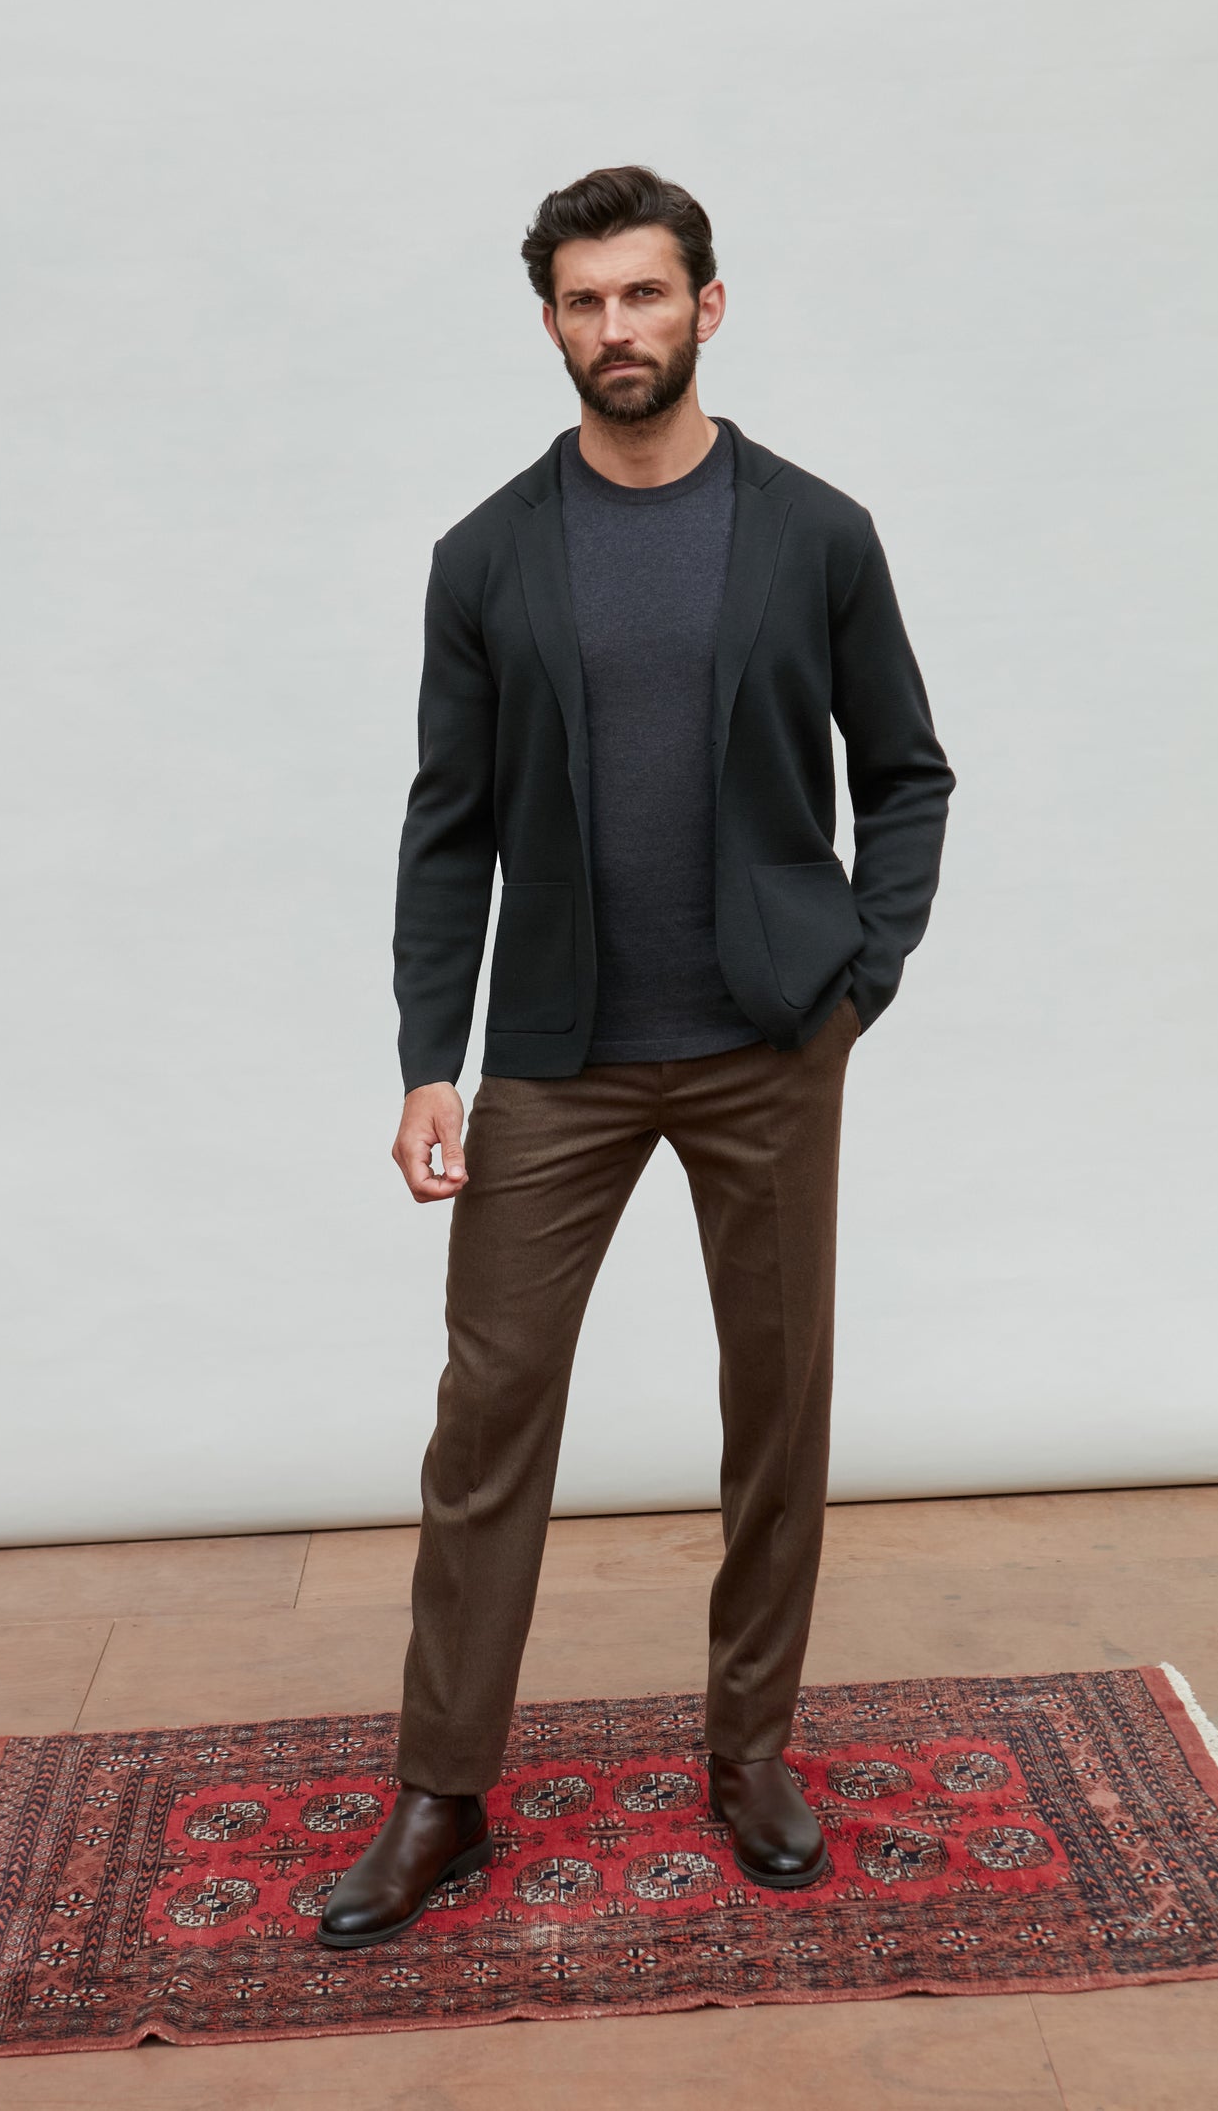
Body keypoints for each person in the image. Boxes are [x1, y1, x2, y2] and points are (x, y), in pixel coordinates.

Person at [318, 164, 955, 1949]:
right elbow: (448, 830)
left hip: (768, 1039)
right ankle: (442, 1791)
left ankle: (750, 1749)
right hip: (558, 1047)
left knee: (778, 1411)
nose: (619, 329)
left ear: (709, 307)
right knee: (489, 1415)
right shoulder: (487, 556)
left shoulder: (817, 533)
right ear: (550, 325)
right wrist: (428, 1056)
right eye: (586, 302)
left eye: (647, 296)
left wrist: (862, 970)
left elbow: (907, 771)